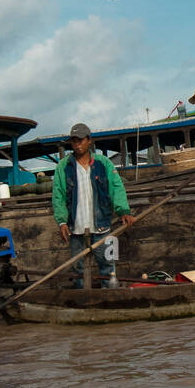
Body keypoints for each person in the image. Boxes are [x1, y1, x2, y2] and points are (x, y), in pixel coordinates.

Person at [52, 123, 134, 288]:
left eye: (81, 140)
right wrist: (61, 221)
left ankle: (110, 299)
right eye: (74, 141)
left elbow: (116, 188)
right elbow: (58, 196)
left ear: (89, 140)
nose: (77, 144)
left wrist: (124, 211)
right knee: (78, 271)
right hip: (76, 229)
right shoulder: (63, 167)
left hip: (102, 227)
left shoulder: (103, 164)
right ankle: (82, 302)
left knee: (108, 268)